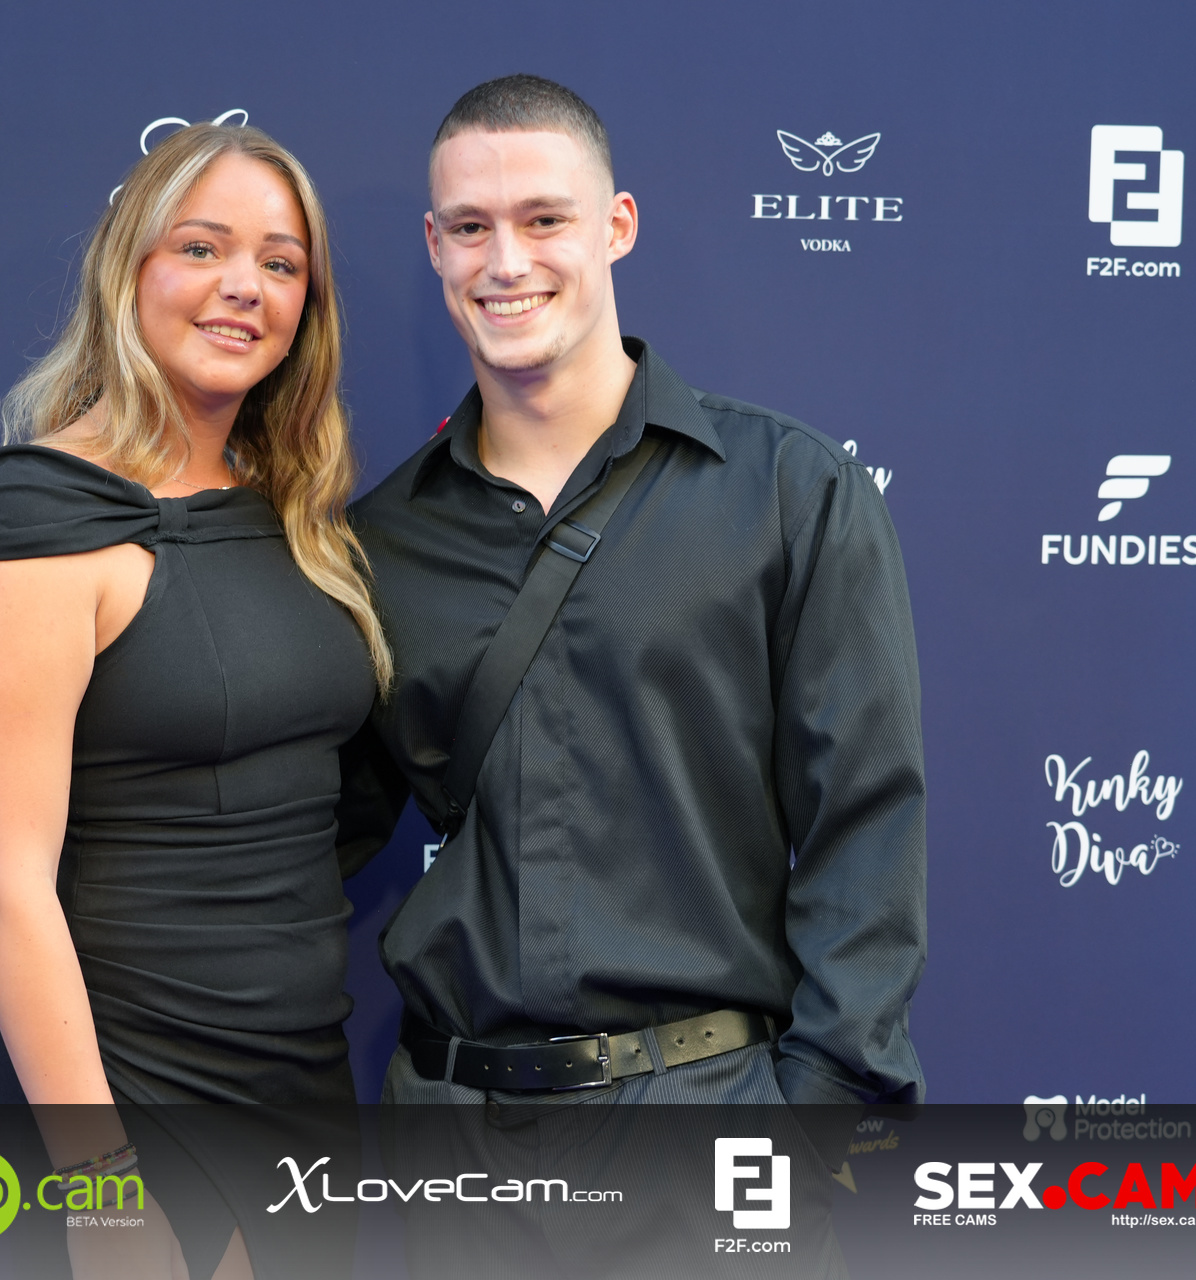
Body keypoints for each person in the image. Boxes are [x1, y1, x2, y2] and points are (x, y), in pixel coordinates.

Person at [340, 73, 927, 1123]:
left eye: (544, 219)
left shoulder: (787, 490)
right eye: (470, 226)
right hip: (447, 1127)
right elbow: (305, 833)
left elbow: (865, 827)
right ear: (434, 245)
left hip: (704, 1111)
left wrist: (822, 1121)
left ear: (616, 226)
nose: (505, 261)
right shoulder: (381, 541)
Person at [0, 121, 385, 1279]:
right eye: (202, 247)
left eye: (281, 262)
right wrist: (100, 1185)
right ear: (127, 267)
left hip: (304, 1086)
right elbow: (5, 885)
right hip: (130, 1092)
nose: (245, 285)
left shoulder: (293, 514)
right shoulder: (37, 517)